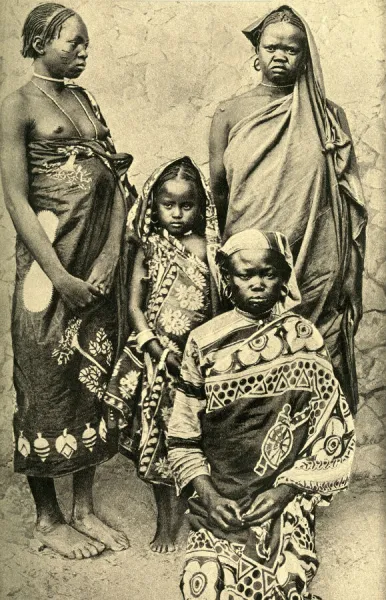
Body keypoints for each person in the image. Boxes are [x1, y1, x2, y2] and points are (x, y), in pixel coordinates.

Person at [0, 3, 136, 559]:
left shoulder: (85, 99)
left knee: (94, 378)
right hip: (50, 269)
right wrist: (61, 277)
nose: (84, 52)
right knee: (43, 380)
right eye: (74, 42)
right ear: (39, 40)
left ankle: (82, 507)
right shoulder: (17, 105)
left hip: (97, 270)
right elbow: (15, 198)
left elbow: (118, 186)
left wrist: (106, 262)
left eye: (87, 45)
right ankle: (47, 518)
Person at [168, 229, 355, 600]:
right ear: (227, 280)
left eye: (268, 274)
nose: (257, 283)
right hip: (222, 494)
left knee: (286, 583)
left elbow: (333, 430)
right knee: (201, 587)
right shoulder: (202, 342)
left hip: (284, 496)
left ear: (284, 278)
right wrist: (208, 496)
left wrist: (285, 491)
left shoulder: (305, 339)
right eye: (245, 274)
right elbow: (182, 437)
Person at [209, 5, 366, 413]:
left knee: (316, 360)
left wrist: (350, 271)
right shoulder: (229, 113)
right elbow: (220, 193)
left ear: (305, 57)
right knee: (252, 363)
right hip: (250, 258)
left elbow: (348, 198)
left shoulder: (330, 117)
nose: (280, 55)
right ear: (256, 53)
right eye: (271, 46)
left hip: (317, 259)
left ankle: (317, 467)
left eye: (291, 49)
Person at [104, 157, 221, 552]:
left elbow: (218, 308)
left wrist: (195, 355)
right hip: (156, 363)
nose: (176, 213)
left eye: (186, 205)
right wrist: (153, 345)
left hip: (193, 364)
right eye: (167, 205)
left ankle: (196, 513)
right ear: (153, 205)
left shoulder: (209, 250)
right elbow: (135, 305)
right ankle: (165, 523)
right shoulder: (149, 248)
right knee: (154, 440)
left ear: (201, 207)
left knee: (191, 440)